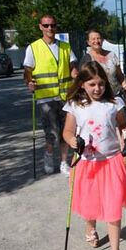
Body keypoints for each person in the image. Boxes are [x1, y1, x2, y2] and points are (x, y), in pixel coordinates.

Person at [62, 61, 126, 250]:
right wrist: (72, 141)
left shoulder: (114, 103)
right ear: (82, 84)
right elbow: (67, 131)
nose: (97, 88)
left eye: (101, 83)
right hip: (87, 163)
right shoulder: (75, 105)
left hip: (111, 162)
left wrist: (124, 136)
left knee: (113, 207)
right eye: (92, 84)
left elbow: (123, 124)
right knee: (90, 201)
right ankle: (90, 227)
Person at [23, 14, 78, 176]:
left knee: (66, 131)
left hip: (65, 96)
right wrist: (29, 83)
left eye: (52, 25)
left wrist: (74, 69)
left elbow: (73, 62)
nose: (50, 28)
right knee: (52, 132)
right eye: (46, 25)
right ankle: (48, 156)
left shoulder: (65, 47)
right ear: (40, 27)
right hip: (46, 97)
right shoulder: (33, 47)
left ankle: (63, 162)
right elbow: (27, 70)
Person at [79, 29, 126, 165]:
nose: (96, 41)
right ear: (88, 42)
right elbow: (84, 80)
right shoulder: (87, 59)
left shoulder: (112, 55)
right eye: (93, 39)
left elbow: (120, 75)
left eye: (99, 38)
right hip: (98, 98)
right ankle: (109, 152)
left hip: (115, 95)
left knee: (122, 124)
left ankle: (124, 150)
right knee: (107, 126)